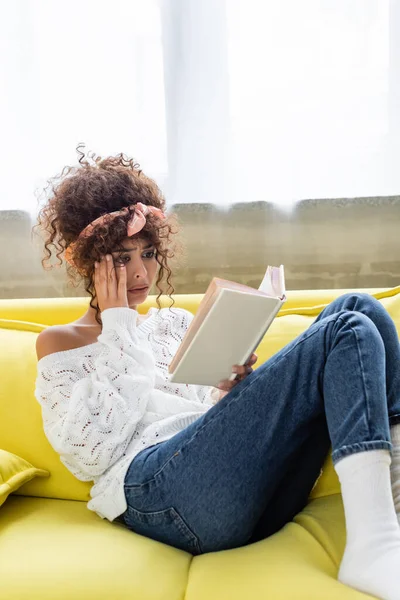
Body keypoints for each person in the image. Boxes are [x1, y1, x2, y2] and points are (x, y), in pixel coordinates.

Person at [34, 147, 400, 600]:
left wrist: (229, 393)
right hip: (157, 495)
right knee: (346, 328)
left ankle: (392, 511)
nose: (141, 271)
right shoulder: (59, 342)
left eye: (148, 253)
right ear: (87, 262)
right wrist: (118, 326)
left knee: (358, 307)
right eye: (121, 258)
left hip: (246, 498)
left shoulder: (175, 325)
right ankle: (375, 543)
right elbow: (89, 454)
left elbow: (204, 428)